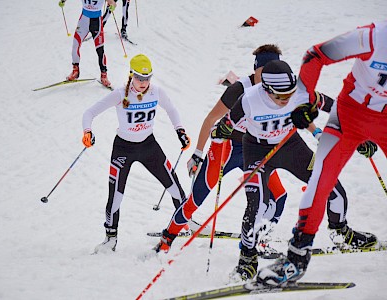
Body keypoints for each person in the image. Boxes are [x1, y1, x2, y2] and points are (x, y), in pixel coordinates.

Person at [154, 45, 326, 256]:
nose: (268, 79)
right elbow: (210, 119)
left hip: (255, 150)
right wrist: (198, 153)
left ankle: (260, 240)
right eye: (264, 72)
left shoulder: (278, 91)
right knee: (195, 199)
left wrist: (315, 130)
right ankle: (167, 238)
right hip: (227, 148)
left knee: (279, 196)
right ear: (256, 70)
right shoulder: (240, 90)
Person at [257, 21, 385, 287]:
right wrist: (303, 103)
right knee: (321, 181)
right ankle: (296, 257)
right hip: (350, 115)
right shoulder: (373, 37)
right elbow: (315, 55)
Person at [225, 59, 377, 282]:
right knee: (256, 204)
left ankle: (340, 231)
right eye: (280, 96)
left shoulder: (300, 92)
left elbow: (336, 108)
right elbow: (228, 123)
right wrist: (220, 131)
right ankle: (247, 257)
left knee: (331, 185)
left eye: (289, 94)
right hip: (257, 151)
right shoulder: (248, 100)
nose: (286, 99)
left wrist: (359, 134)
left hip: (291, 146)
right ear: (266, 89)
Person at [82, 54, 191, 253]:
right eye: (140, 78)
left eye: (147, 78)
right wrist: (87, 131)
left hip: (149, 146)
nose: (143, 83)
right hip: (123, 148)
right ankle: (110, 239)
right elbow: (89, 113)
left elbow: (172, 110)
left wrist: (180, 131)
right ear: (131, 75)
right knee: (115, 196)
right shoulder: (119, 94)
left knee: (174, 186)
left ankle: (186, 223)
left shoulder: (156, 92)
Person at [58, 0, 116, 87]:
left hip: (96, 22)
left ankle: (104, 75)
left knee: (100, 50)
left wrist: (112, 6)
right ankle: (75, 71)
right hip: (83, 21)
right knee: (75, 45)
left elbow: (113, 2)